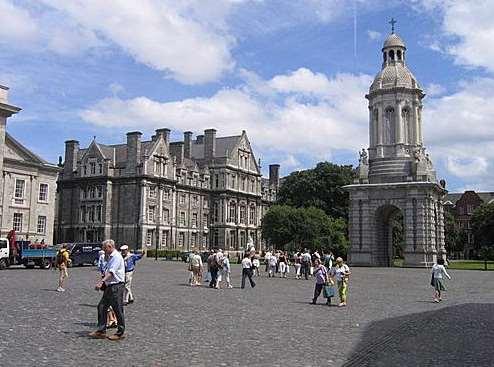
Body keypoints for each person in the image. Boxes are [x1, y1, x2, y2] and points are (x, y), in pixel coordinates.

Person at [89, 239, 126, 340]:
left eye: (105, 248)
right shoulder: (109, 257)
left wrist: (101, 282)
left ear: (110, 247)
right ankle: (101, 330)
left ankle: (120, 332)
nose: (103, 250)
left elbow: (111, 272)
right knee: (101, 306)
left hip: (116, 286)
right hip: (110, 286)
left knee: (118, 309)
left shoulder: (116, 257)